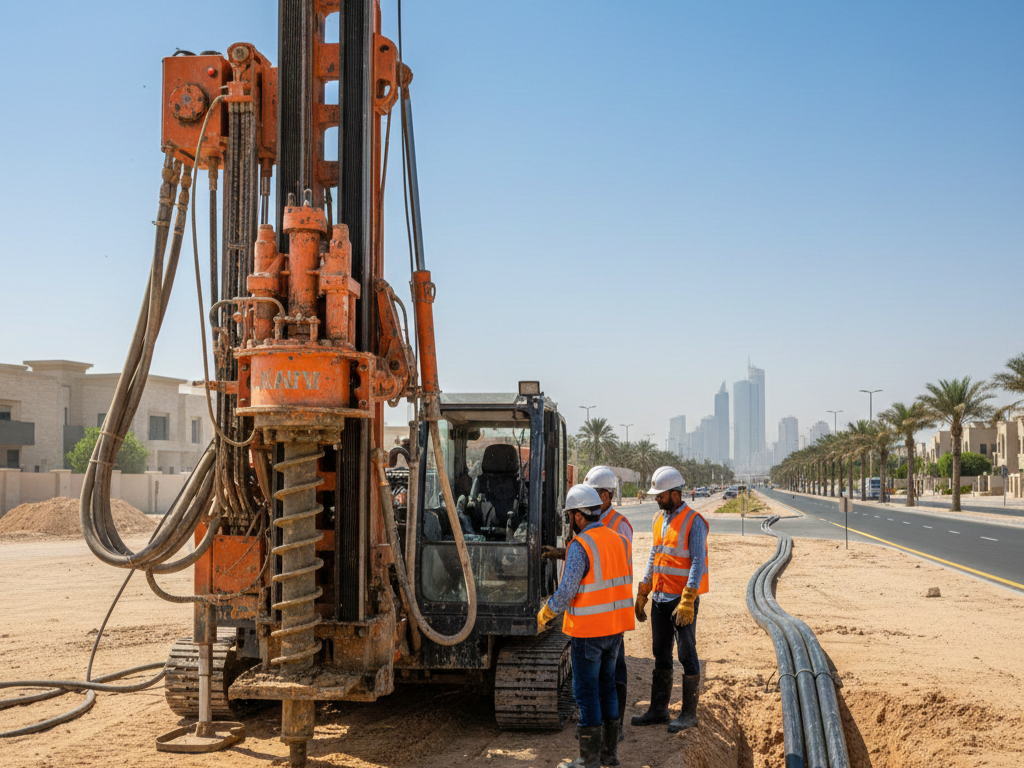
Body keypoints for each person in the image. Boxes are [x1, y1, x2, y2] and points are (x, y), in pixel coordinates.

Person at [538, 485, 634, 768]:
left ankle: (587, 760)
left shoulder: (581, 546)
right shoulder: (618, 540)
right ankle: (609, 755)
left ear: (579, 516)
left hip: (589, 631)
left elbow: (566, 592)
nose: (570, 522)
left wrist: (545, 614)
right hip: (615, 629)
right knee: (607, 688)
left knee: (586, 691)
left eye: (570, 516)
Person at [631, 466, 709, 734]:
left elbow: (698, 561)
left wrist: (688, 599)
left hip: (681, 602)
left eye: (660, 495)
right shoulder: (658, 519)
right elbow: (655, 556)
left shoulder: (694, 521)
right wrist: (643, 591)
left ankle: (689, 714)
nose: (656, 499)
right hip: (661, 599)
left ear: (675, 493)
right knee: (660, 654)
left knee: (687, 654)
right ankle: (659, 710)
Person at [582, 466, 633, 742]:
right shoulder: (590, 521)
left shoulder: (619, 525)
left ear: (604, 496)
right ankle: (600, 725)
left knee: (614, 672)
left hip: (612, 608)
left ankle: (616, 727)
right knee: (598, 674)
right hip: (594, 609)